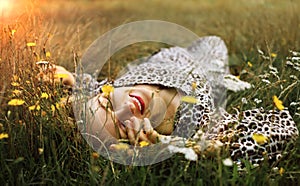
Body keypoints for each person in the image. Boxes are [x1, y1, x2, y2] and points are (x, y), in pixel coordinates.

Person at [39, 36, 299, 165]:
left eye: (107, 104)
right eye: (122, 127)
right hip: (205, 63)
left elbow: (99, 89)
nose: (127, 108)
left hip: (162, 59)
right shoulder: (195, 122)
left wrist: (73, 79)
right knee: (214, 43)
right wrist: (190, 146)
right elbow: (285, 133)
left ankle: (162, 49)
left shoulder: (118, 90)